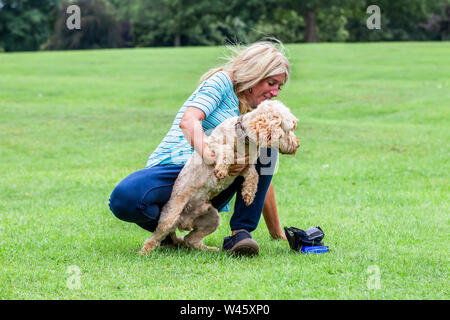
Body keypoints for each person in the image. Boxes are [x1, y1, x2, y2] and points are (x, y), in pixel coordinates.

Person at [109, 40, 290, 256]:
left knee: (268, 145)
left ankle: (240, 235)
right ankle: (167, 234)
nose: (275, 92)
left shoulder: (256, 116)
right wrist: (212, 157)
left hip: (212, 186)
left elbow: (261, 174)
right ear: (255, 74)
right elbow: (189, 121)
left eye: (279, 86)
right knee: (124, 198)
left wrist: (277, 232)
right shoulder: (222, 81)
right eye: (271, 83)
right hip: (178, 167)